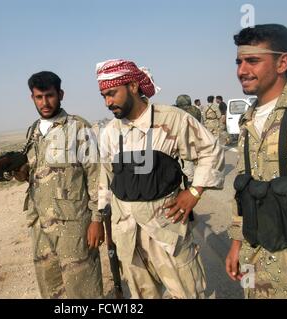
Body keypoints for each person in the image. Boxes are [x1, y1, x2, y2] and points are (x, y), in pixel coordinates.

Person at [96, 59, 225, 299]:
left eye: (112, 93)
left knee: (189, 294)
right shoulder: (111, 132)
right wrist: (101, 219)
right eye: (103, 96)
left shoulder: (172, 119)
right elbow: (106, 177)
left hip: (167, 233)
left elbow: (211, 151)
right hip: (127, 236)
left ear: (133, 86)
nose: (108, 102)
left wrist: (195, 192)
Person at [225, 24, 287, 299]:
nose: (241, 70)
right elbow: (242, 192)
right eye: (239, 62)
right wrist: (236, 244)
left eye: (252, 61)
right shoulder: (247, 123)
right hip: (256, 265)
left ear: (282, 62)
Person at [13, 71, 104, 299]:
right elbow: (37, 169)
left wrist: (97, 220)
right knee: (50, 285)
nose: (45, 102)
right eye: (39, 97)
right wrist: (22, 173)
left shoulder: (77, 127)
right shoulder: (33, 131)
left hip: (73, 225)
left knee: (82, 287)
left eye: (50, 96)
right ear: (32, 98)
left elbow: (97, 175)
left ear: (60, 94)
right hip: (40, 223)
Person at [173, 94, 202, 184]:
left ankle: (187, 184)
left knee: (183, 164)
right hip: (192, 140)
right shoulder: (196, 110)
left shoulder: (176, 111)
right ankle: (191, 183)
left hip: (180, 141)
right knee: (191, 164)